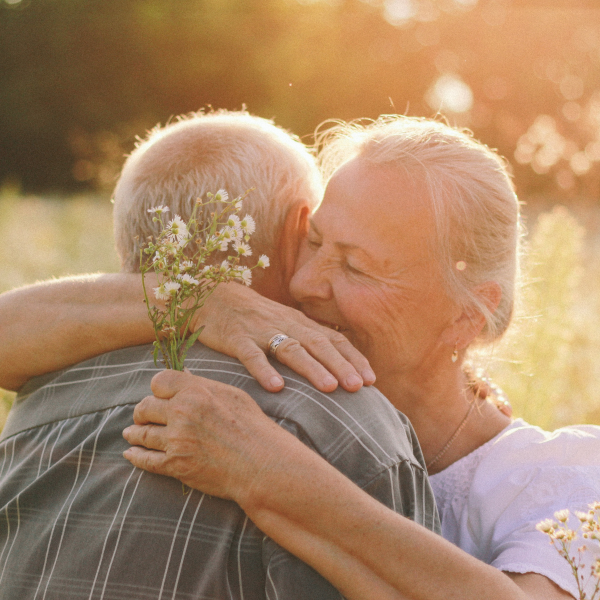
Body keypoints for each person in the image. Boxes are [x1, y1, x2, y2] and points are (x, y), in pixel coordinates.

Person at [2, 114, 598, 599]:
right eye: (313, 241)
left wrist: (269, 471)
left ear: (470, 314)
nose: (307, 282)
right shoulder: (283, 393)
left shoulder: (569, 478)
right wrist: (205, 298)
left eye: (357, 266)